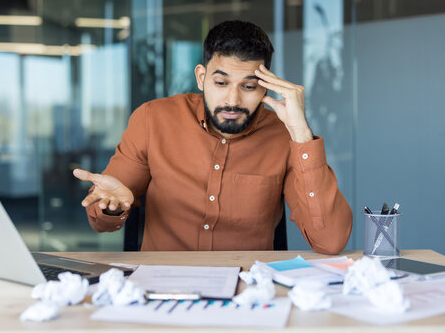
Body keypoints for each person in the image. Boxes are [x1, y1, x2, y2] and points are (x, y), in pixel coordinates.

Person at [73, 20, 352, 254]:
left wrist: (302, 135)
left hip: (249, 294)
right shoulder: (152, 119)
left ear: (266, 88)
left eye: (249, 86)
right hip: (161, 287)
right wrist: (111, 207)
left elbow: (330, 242)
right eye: (221, 83)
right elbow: (102, 221)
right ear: (201, 77)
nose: (233, 100)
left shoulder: (284, 136)